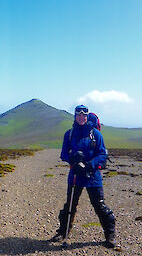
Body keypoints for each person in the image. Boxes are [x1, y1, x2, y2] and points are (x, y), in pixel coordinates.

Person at [49, 105, 116, 248]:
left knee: (99, 205)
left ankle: (110, 235)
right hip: (75, 175)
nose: (81, 117)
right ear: (75, 116)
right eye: (79, 115)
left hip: (93, 176)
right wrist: (73, 159)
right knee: (70, 205)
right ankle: (63, 232)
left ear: (87, 116)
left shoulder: (96, 134)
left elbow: (103, 154)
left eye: (84, 115)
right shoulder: (70, 134)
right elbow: (63, 154)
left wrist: (90, 165)